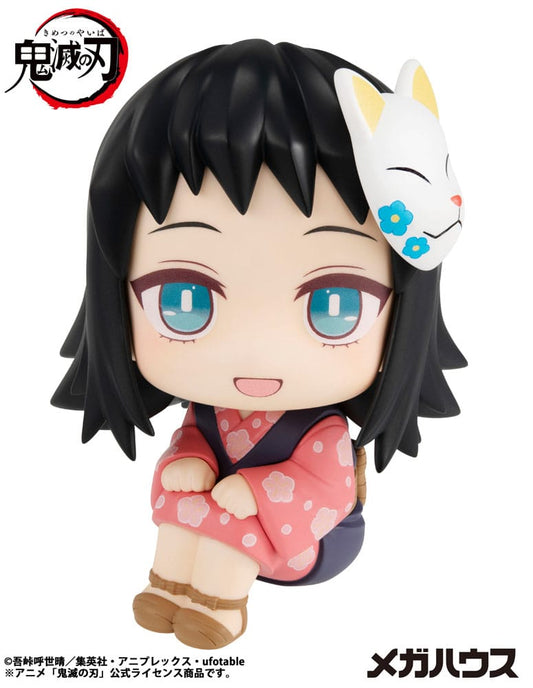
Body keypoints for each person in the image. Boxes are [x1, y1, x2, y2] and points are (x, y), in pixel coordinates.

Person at [52, 39, 466, 649]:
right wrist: (192, 461)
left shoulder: (322, 431)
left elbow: (327, 490)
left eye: (335, 305)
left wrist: (249, 492)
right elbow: (193, 443)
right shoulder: (209, 411)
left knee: (220, 523)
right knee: (186, 506)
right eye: (183, 300)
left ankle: (217, 607)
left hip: (311, 540)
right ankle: (168, 588)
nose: (257, 349)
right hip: (229, 516)